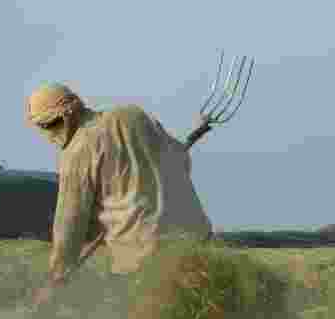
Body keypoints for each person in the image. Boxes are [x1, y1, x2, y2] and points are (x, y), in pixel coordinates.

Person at [25, 83, 213, 306]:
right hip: (196, 241)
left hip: (143, 260)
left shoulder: (76, 153)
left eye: (51, 125)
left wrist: (55, 279)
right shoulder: (134, 115)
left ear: (67, 115)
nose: (50, 134)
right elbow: (181, 161)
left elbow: (70, 223)